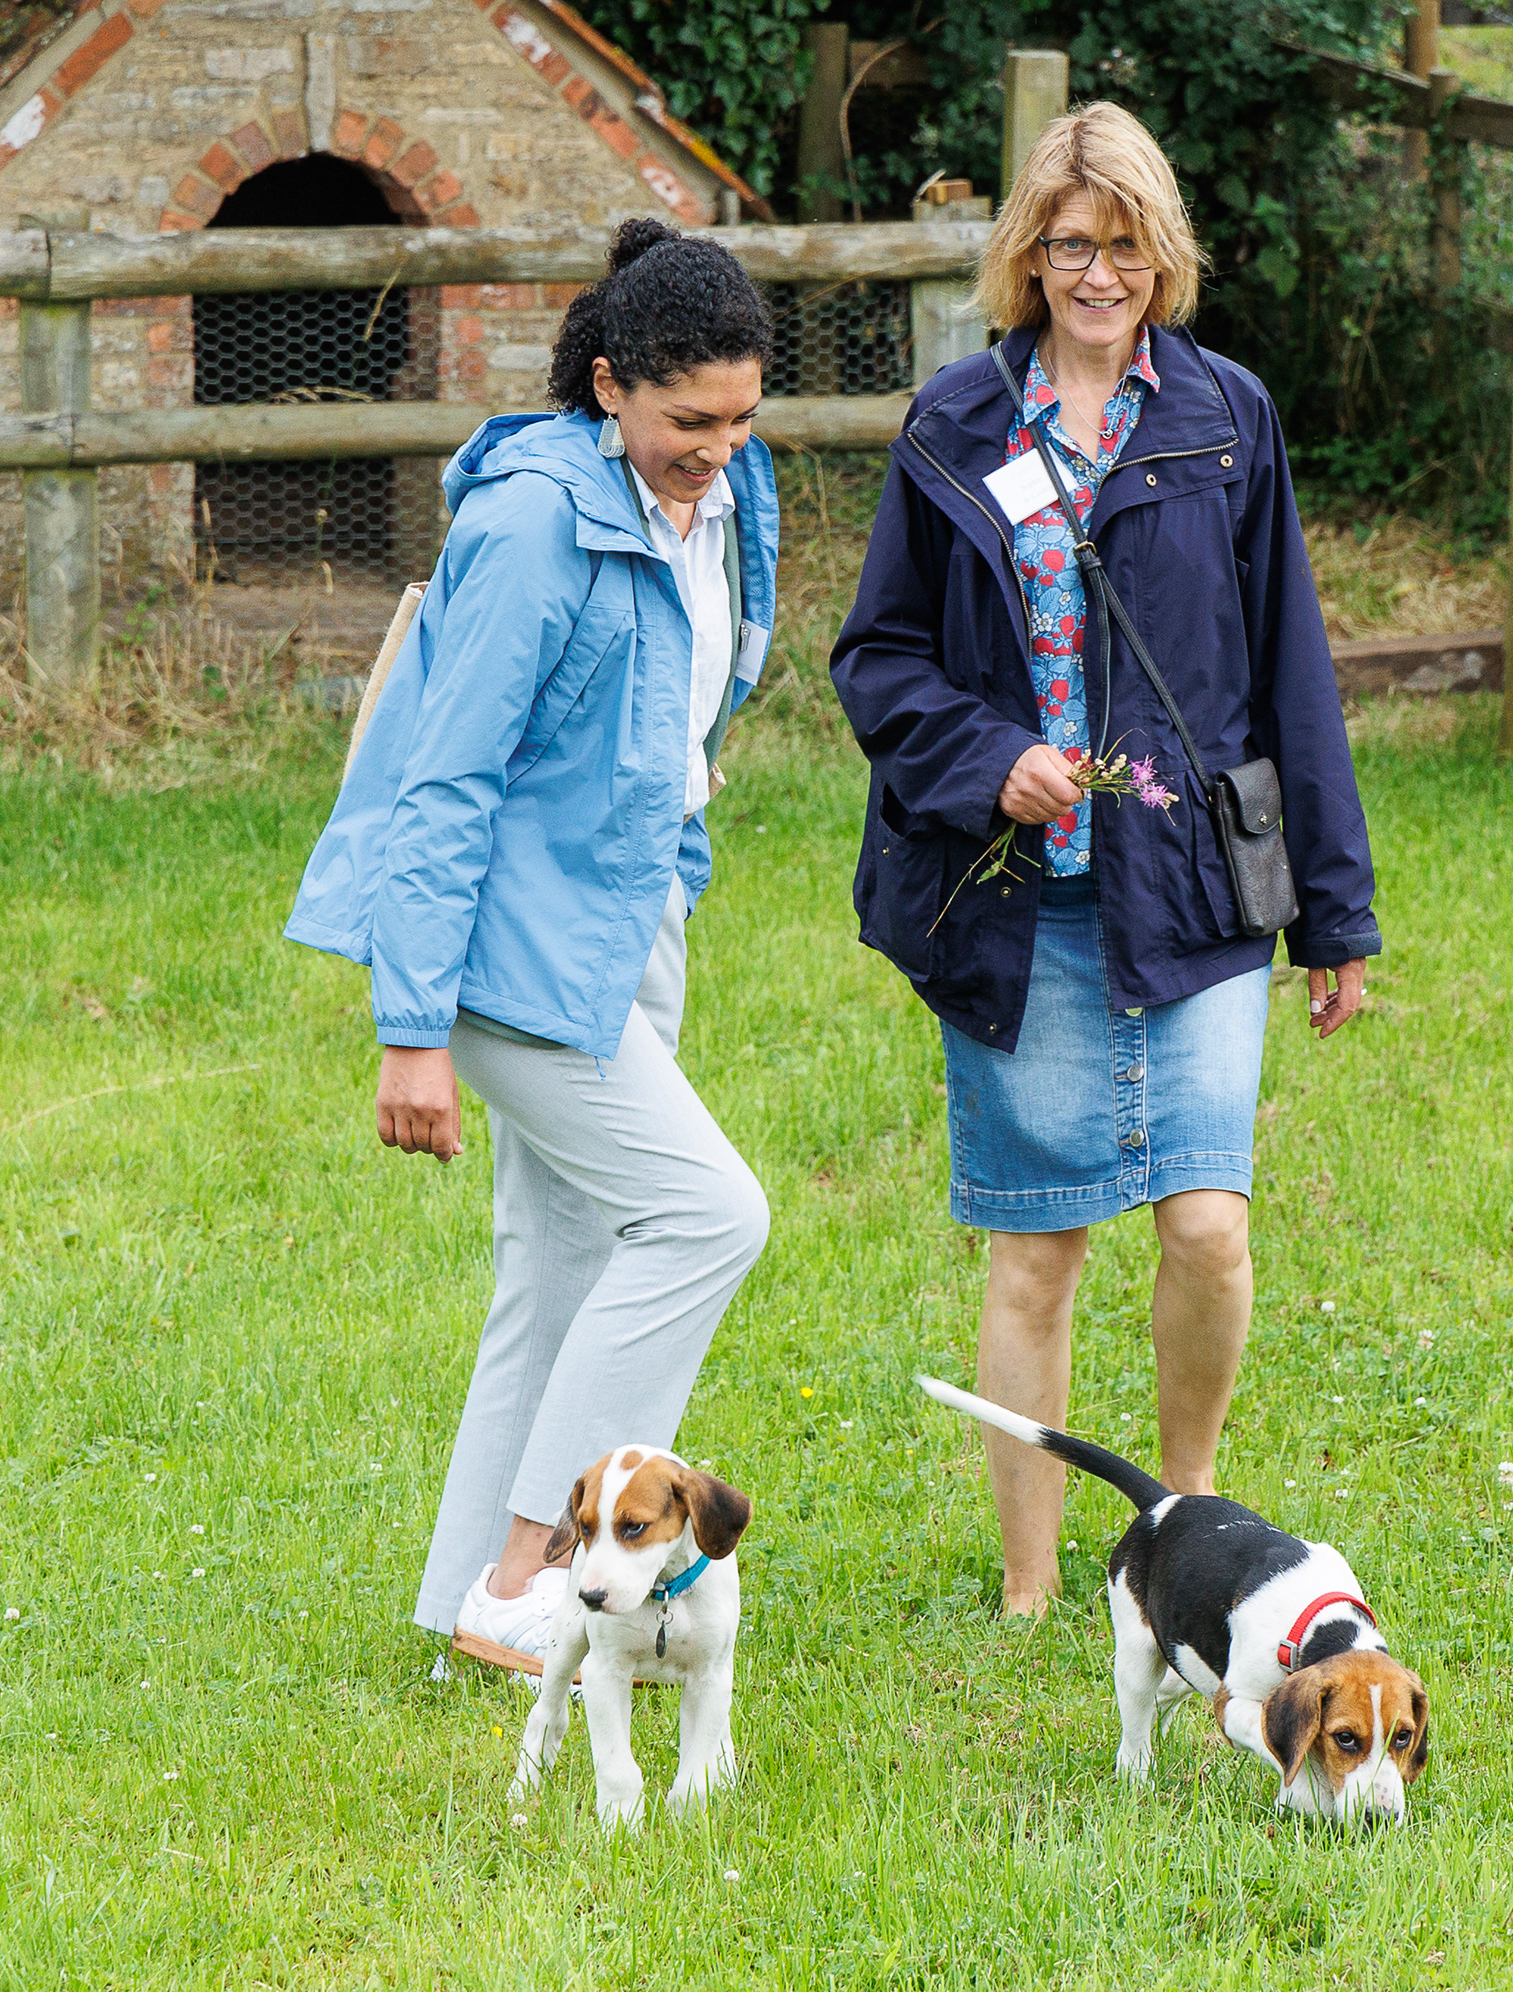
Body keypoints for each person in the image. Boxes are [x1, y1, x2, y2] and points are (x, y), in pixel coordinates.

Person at [830, 104, 1381, 1617]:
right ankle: (1029, 1584)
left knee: (1208, 1228)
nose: (1098, 273)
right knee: (1039, 1255)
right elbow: (877, 658)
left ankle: (1178, 1530)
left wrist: (1334, 916)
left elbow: (1291, 670)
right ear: (1030, 253)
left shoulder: (1223, 415)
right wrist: (984, 759)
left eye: (1126, 245)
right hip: (1020, 907)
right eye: (1072, 243)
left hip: (1190, 891)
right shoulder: (956, 425)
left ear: (1163, 255)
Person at [286, 218, 776, 1668]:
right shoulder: (527, 525)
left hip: (629, 911)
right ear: (610, 386)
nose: (719, 452)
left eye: (743, 420)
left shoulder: (717, 498)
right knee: (706, 1214)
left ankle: (469, 1607)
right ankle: (532, 1575)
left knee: (562, 1264)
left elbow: (684, 704)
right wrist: (412, 1028)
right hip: (507, 947)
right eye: (690, 423)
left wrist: (672, 842)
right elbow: (444, 782)